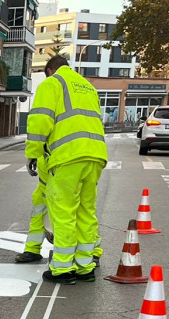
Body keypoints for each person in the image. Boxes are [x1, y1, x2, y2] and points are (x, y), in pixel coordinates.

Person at [25, 55, 108, 283]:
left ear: (50, 70)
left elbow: (40, 120)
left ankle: (62, 269)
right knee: (86, 211)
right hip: (95, 155)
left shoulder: (53, 83)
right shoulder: (88, 87)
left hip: (68, 156)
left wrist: (34, 153)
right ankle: (85, 266)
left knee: (62, 212)